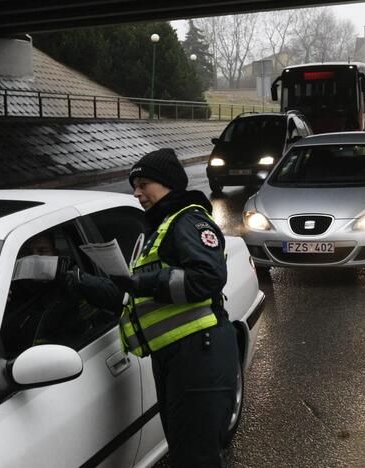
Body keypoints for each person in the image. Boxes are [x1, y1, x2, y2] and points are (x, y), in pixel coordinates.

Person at [67, 148, 238, 467]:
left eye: (144, 183)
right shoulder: (158, 229)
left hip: (199, 353)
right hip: (175, 356)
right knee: (185, 452)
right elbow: (131, 296)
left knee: (196, 457)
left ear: (168, 183)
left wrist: (144, 282)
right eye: (134, 184)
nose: (136, 192)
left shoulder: (188, 220)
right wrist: (75, 279)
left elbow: (208, 277)